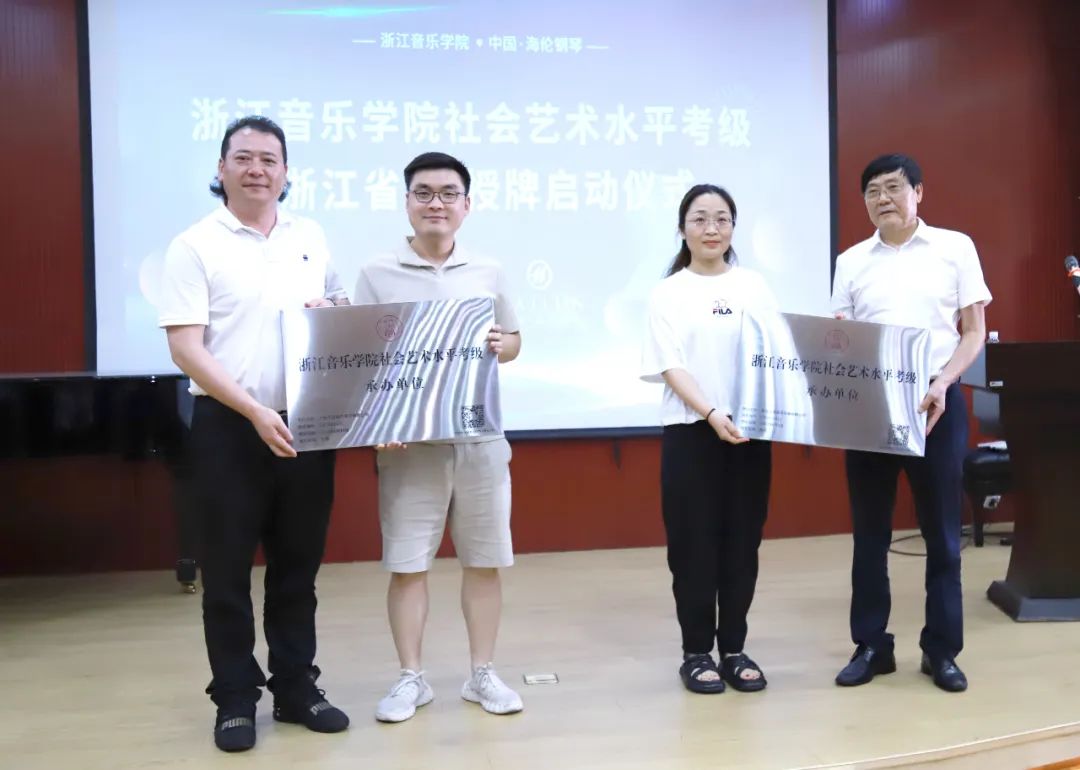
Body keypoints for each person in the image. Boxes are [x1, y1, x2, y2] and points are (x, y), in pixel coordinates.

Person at [158, 115, 350, 752]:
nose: (257, 169)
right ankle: (236, 698)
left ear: (286, 172)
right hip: (227, 428)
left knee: (297, 570)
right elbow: (186, 348)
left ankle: (295, 688)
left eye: (270, 159)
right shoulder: (194, 245)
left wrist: (333, 312)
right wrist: (252, 411)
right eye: (243, 157)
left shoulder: (310, 236)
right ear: (221, 169)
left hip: (305, 424)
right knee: (226, 575)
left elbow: (338, 307)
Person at [353, 152, 524, 722]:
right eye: (424, 193)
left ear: (466, 205)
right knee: (408, 565)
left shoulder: (488, 270)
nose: (436, 203)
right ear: (407, 202)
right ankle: (411, 678)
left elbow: (514, 341)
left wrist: (503, 344)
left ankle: (482, 674)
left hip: (479, 439)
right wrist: (377, 424)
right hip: (410, 447)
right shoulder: (377, 272)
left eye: (449, 193)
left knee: (484, 561)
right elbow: (361, 356)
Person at [831, 153, 991, 693]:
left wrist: (943, 382)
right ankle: (871, 645)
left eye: (893, 187)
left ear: (918, 192)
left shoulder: (955, 248)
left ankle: (941, 651)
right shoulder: (851, 261)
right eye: (872, 191)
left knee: (942, 536)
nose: (883, 198)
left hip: (936, 405)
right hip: (870, 411)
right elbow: (842, 337)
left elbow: (973, 331)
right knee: (869, 536)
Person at [641, 183, 777, 694]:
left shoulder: (754, 287)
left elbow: (773, 356)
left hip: (749, 434)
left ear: (733, 228)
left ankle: (734, 649)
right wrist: (711, 412)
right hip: (691, 433)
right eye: (699, 219)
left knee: (743, 544)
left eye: (722, 219)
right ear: (682, 229)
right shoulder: (668, 292)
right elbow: (670, 364)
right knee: (693, 546)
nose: (711, 229)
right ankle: (696, 652)